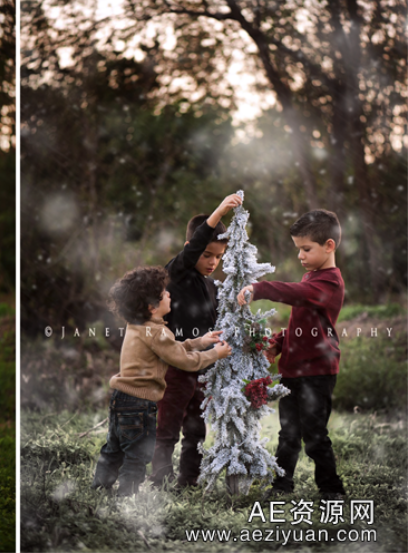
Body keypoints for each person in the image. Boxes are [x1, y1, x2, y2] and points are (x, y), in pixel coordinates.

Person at [91, 266, 232, 497]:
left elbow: (173, 348)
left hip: (121, 398)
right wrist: (214, 354)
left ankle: (100, 488)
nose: (170, 295)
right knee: (138, 455)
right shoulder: (158, 333)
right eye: (165, 294)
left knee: (113, 448)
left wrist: (200, 341)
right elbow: (183, 360)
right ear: (151, 306)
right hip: (140, 404)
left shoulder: (139, 326)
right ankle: (126, 498)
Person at [237, 209, 346, 498]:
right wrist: (278, 343)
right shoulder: (312, 277)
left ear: (329, 246)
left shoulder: (329, 283)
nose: (300, 255)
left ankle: (332, 490)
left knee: (315, 436)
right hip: (292, 372)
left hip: (317, 373)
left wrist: (259, 288)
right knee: (288, 435)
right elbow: (300, 326)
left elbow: (294, 293)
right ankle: (282, 486)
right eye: (298, 249)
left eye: (306, 249)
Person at [150, 193, 241, 489]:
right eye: (207, 255)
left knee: (195, 428)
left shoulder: (212, 284)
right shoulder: (176, 273)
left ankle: (188, 480)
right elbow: (192, 250)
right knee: (167, 428)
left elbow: (215, 321)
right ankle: (160, 479)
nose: (213, 261)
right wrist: (219, 212)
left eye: (219, 256)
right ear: (192, 249)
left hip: (203, 366)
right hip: (175, 366)